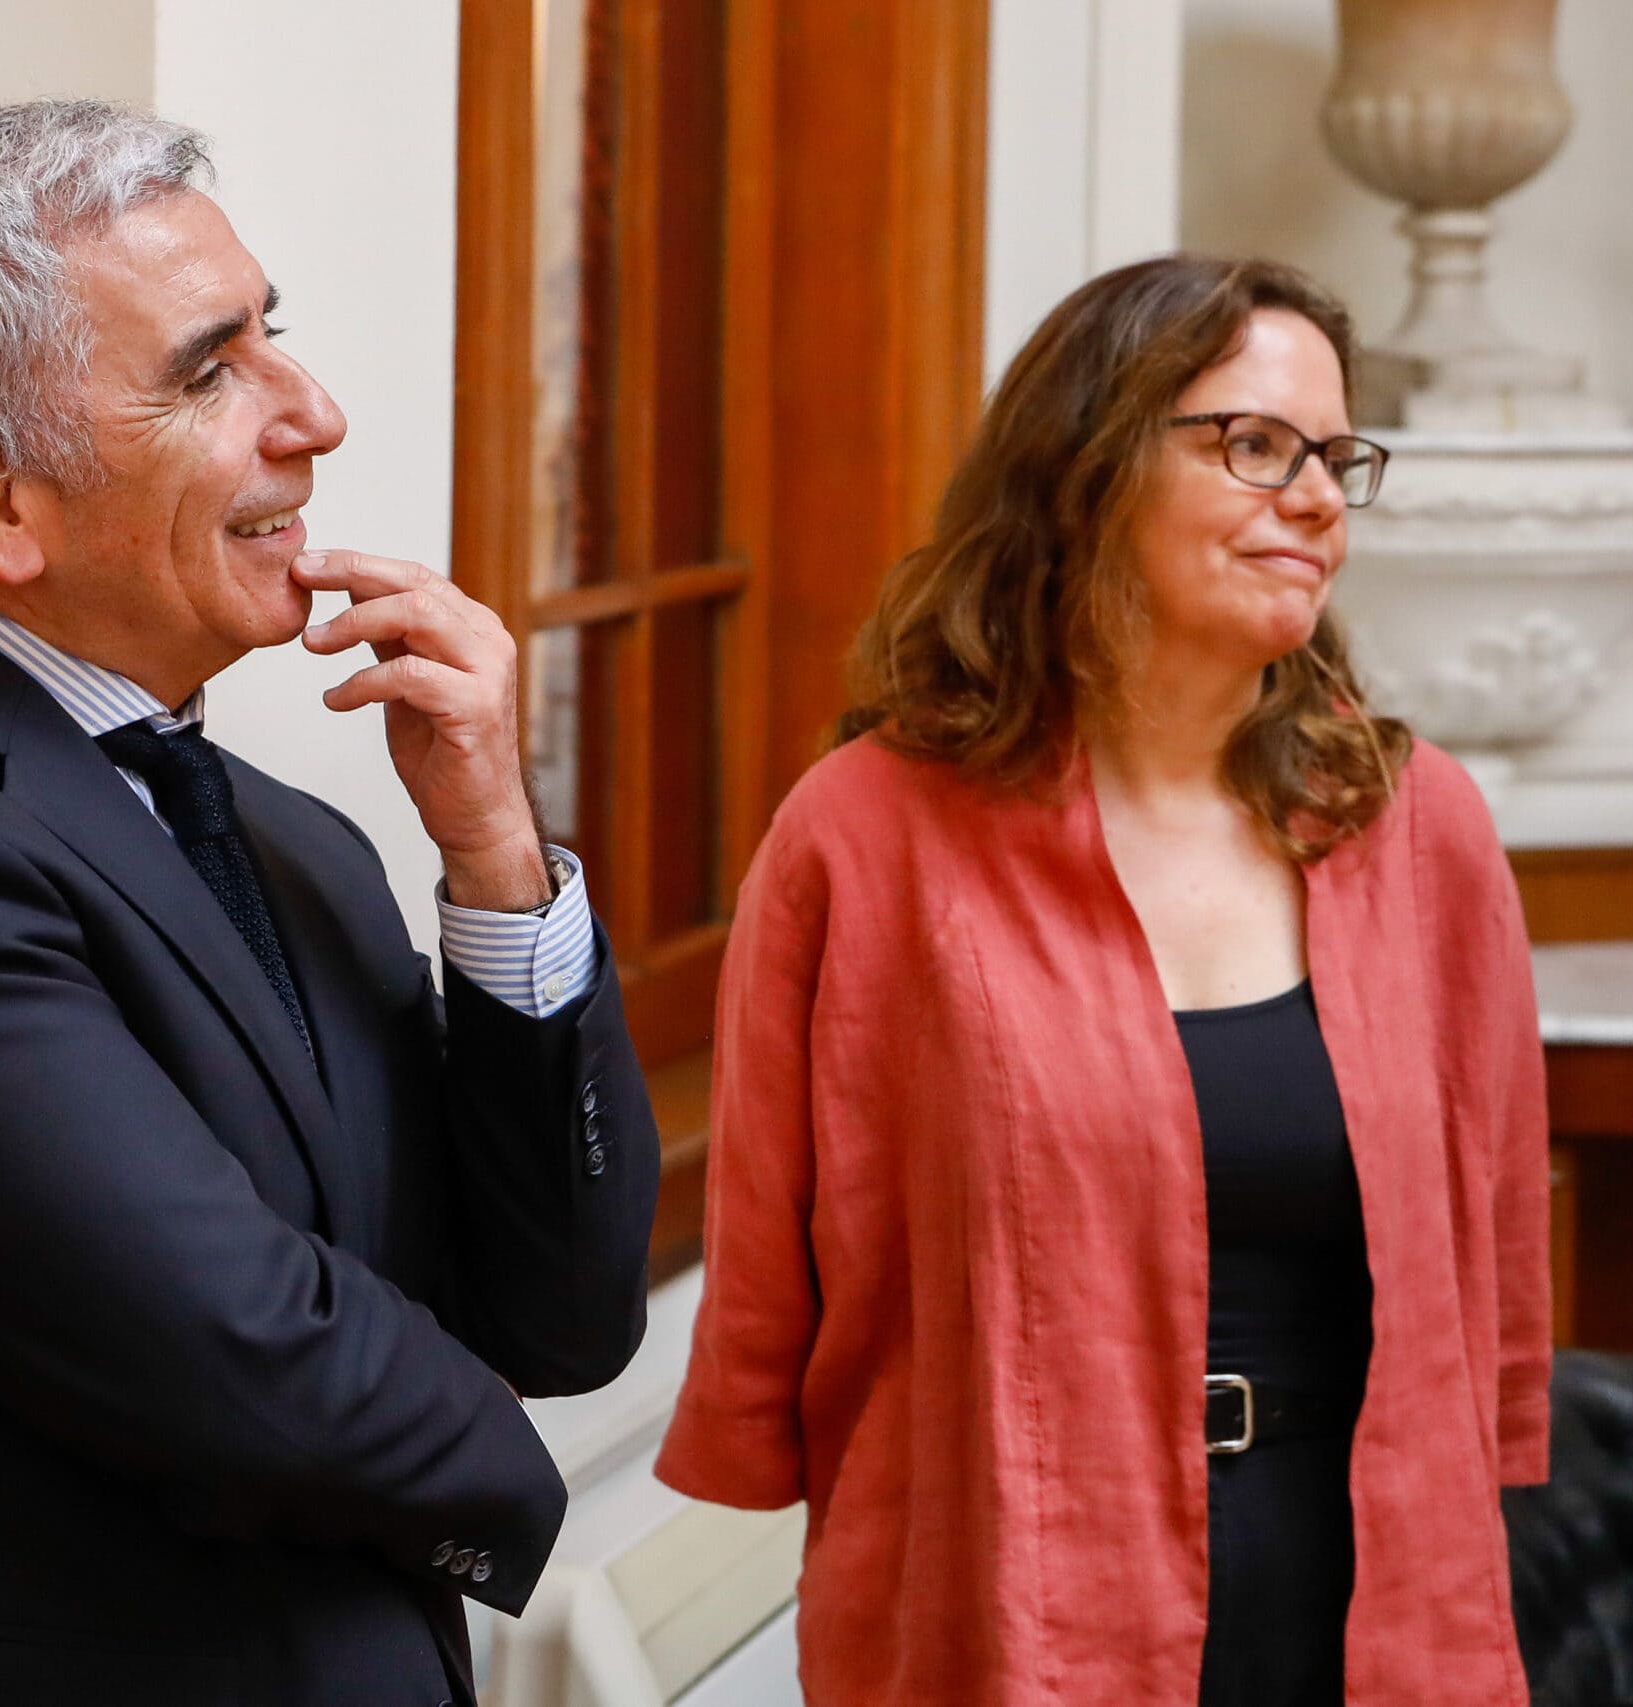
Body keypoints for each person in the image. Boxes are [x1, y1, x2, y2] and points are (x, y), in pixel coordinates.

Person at [0, 99, 658, 1707]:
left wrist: (495, 860)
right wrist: (530, 1487)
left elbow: (559, 1312)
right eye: (208, 374)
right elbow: (247, 1367)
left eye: (276, 332)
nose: (315, 414)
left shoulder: (295, 843)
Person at [654, 255, 1550, 1706]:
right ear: (1090, 465)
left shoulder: (1416, 825)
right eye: (1255, 445)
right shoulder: (870, 836)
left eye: (1336, 459)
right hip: (1012, 1589)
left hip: (1362, 1590)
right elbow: (774, 1247)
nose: (1317, 500)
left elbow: (1496, 1237)